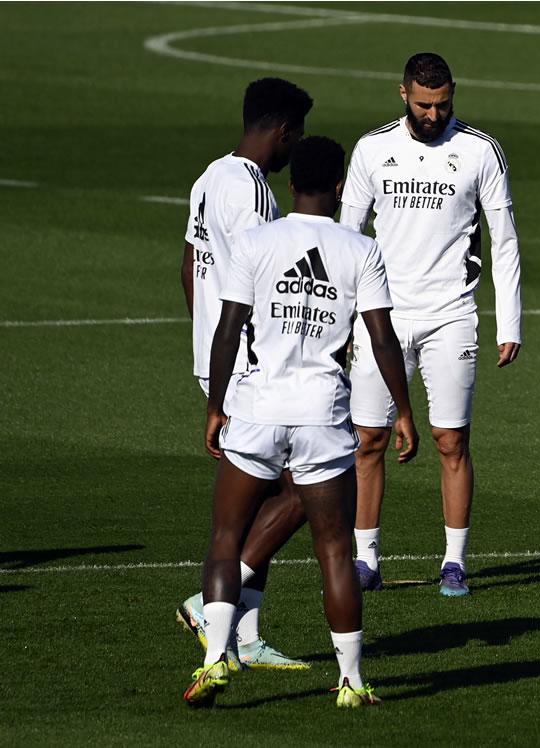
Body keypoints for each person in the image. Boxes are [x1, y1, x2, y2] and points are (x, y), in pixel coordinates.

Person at [183, 136, 419, 709]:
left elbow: (227, 327)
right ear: (341, 188)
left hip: (258, 410)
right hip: (322, 416)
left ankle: (215, 661)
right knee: (336, 550)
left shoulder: (256, 242)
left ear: (290, 186)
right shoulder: (362, 249)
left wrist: (217, 406)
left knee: (225, 538)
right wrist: (404, 410)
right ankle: (351, 682)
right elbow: (382, 337)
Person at [339, 52, 523, 596]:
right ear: (403, 95)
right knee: (368, 439)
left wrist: (508, 322)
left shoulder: (480, 151)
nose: (433, 114)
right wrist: (339, 320)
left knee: (450, 441)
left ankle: (454, 562)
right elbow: (347, 238)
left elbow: (505, 238)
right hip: (380, 319)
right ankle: (366, 560)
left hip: (451, 316)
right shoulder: (373, 150)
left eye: (443, 104)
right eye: (423, 105)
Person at [177, 77, 313, 669]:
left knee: (261, 498)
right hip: (255, 369)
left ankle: (244, 637)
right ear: (283, 131)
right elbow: (268, 281)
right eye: (297, 134)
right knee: (306, 487)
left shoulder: (210, 176)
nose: (295, 146)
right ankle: (211, 609)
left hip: (222, 362)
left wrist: (211, 346)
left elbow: (188, 267)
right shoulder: (254, 191)